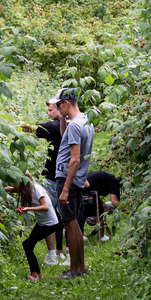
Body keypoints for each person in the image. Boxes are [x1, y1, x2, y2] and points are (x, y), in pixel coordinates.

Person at [21, 97, 67, 265]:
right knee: (61, 217)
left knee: (48, 216)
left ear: (60, 109)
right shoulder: (72, 125)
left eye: (50, 110)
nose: (48, 114)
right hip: (64, 178)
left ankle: (53, 255)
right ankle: (60, 254)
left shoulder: (54, 126)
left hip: (51, 178)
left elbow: (28, 128)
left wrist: (5, 124)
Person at [53, 88, 94, 278]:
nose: (55, 107)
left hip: (67, 178)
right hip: (75, 179)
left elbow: (75, 160)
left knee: (69, 224)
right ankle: (80, 267)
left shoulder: (76, 125)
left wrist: (65, 189)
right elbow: (65, 137)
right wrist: (62, 118)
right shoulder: (85, 121)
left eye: (58, 104)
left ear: (66, 103)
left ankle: (74, 270)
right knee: (74, 224)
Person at [6, 177, 59, 281]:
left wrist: (28, 208)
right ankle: (38, 274)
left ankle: (34, 275)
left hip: (50, 224)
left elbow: (45, 207)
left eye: (14, 183)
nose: (13, 185)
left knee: (27, 244)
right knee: (29, 245)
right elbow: (12, 189)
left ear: (21, 182)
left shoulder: (36, 189)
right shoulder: (26, 188)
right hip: (42, 223)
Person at [85, 169, 122, 241]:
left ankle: (81, 234)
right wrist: (129, 212)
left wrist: (102, 203)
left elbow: (96, 190)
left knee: (84, 211)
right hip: (87, 186)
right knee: (100, 211)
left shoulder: (109, 178)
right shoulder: (114, 182)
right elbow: (115, 203)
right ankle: (101, 236)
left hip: (83, 182)